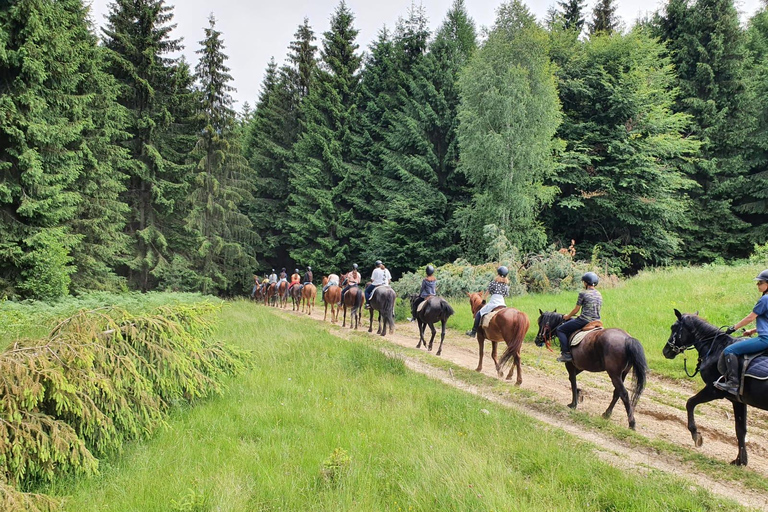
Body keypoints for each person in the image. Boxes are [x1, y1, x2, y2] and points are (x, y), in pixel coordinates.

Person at [715, 269, 768, 394]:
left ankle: (733, 383)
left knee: (730, 350)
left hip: (765, 339)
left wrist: (734, 327)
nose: (758, 285)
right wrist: (753, 330)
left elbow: (750, 317)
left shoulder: (765, 299)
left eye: (760, 282)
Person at [555, 272, 602, 363]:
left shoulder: (583, 293)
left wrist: (567, 316)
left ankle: (566, 353)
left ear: (586, 283)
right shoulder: (599, 294)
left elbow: (576, 310)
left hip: (584, 320)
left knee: (560, 329)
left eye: (584, 281)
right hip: (597, 321)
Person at [466, 266, 510, 337]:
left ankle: (473, 332)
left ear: (498, 274)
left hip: (493, 302)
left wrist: (484, 300)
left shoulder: (493, 283)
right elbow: (506, 295)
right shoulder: (506, 285)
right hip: (502, 303)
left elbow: (487, 292)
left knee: (479, 313)